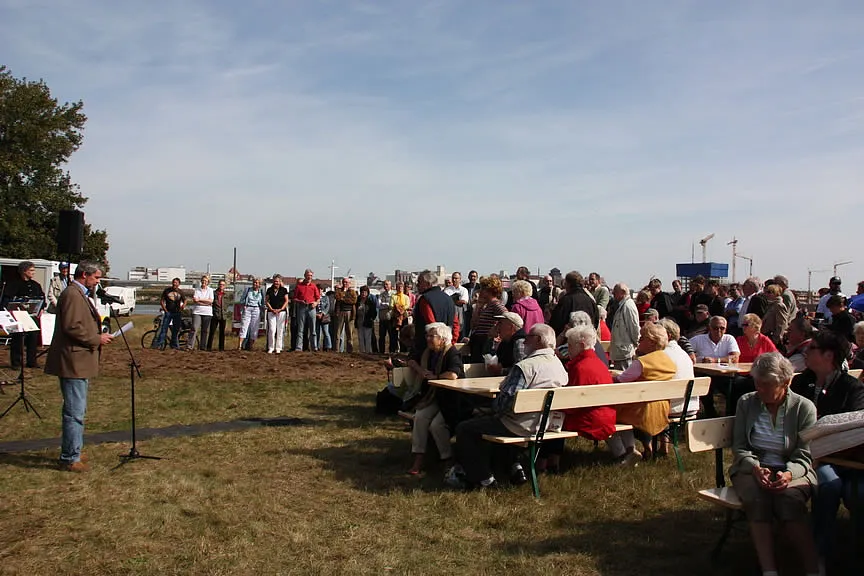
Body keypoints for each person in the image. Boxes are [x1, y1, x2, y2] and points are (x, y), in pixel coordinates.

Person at [730, 353, 820, 576]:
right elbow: (740, 446)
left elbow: (804, 454)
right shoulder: (746, 403)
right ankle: (769, 570)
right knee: (757, 498)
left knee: (789, 500)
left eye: (767, 385)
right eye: (757, 383)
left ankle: (814, 568)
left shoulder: (803, 407)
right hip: (753, 468)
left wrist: (789, 474)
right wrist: (754, 467)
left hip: (794, 469)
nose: (760, 389)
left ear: (786, 382)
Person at [449, 324, 568, 489]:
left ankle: (484, 478)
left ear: (539, 341)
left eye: (528, 338)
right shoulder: (558, 365)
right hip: (544, 423)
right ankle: (513, 467)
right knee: (489, 422)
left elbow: (504, 403)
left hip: (520, 424)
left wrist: (488, 407)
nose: (524, 341)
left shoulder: (526, 366)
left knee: (465, 428)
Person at [790, 330, 864, 565]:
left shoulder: (852, 387)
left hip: (848, 459)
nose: (805, 352)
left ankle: (856, 554)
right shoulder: (801, 382)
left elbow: (854, 426)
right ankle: (818, 556)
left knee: (860, 494)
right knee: (828, 486)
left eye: (811, 349)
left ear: (828, 355)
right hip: (810, 456)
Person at [44, 261, 114, 472]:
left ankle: (73, 449)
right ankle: (69, 457)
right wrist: (96, 338)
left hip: (79, 360)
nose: (98, 282)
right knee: (74, 411)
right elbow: (72, 327)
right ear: (85, 275)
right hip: (73, 360)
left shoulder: (78, 293)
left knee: (78, 408)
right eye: (96, 278)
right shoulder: (73, 294)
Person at [539, 324, 617, 472]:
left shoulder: (580, 367)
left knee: (553, 418)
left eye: (570, 345)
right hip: (605, 416)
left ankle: (543, 462)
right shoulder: (599, 364)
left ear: (581, 345)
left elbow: (572, 405)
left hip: (590, 419)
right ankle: (552, 461)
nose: (567, 349)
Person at [611, 322, 678, 463]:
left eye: (642, 338)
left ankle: (626, 451)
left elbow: (620, 381)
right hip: (662, 411)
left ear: (652, 343)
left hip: (641, 412)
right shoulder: (669, 362)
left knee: (610, 414)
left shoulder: (642, 363)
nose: (638, 341)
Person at [406, 322, 465, 475]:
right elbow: (413, 362)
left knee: (436, 425)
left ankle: (447, 459)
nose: (428, 339)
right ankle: (419, 457)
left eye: (432, 336)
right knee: (419, 417)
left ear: (443, 339)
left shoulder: (452, 353)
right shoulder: (428, 353)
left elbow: (453, 374)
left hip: (451, 400)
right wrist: (418, 368)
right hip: (434, 397)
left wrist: (437, 377)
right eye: (428, 335)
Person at [691, 316, 741, 418]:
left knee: (737, 387)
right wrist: (694, 356)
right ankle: (710, 414)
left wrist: (715, 360)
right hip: (705, 375)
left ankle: (730, 415)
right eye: (715, 328)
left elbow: (735, 357)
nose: (718, 330)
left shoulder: (729, 339)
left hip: (725, 376)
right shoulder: (699, 339)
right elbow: (684, 348)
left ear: (726, 329)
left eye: (722, 328)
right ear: (709, 327)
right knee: (702, 384)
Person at [5, 260, 46, 368]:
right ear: (24, 271)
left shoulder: (36, 285)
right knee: (18, 339)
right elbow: (7, 300)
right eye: (31, 270)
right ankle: (16, 362)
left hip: (32, 315)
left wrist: (41, 308)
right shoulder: (13, 284)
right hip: (18, 315)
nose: (33, 272)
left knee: (33, 338)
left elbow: (42, 298)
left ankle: (31, 361)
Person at [411, 271, 458, 360]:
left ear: (427, 284)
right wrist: (451, 342)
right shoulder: (448, 298)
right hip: (446, 345)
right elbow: (455, 323)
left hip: (429, 348)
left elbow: (431, 324)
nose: (417, 285)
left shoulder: (425, 299)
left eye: (419, 282)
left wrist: (434, 345)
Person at [659, 318, 699, 421]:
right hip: (691, 405)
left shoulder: (661, 355)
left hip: (672, 408)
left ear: (668, 335)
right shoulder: (684, 354)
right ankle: (663, 436)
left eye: (657, 333)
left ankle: (649, 436)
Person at [465, 274, 505, 362]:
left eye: (483, 289)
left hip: (487, 342)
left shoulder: (496, 304)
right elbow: (473, 325)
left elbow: (507, 316)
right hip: (479, 341)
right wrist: (478, 307)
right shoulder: (486, 305)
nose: (481, 291)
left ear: (489, 291)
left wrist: (496, 329)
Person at [550, 271, 598, 337]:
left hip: (569, 342)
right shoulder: (591, 301)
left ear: (568, 284)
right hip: (588, 340)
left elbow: (556, 323)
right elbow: (596, 322)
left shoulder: (565, 301)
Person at [610, 283, 639, 371]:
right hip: (621, 352)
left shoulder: (628, 306)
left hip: (625, 352)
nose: (613, 294)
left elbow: (634, 328)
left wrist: (636, 345)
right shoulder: (622, 305)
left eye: (615, 292)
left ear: (622, 292)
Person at [486, 311, 526, 376]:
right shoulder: (505, 342)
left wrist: (501, 371)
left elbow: (522, 370)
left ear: (511, 327)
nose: (497, 326)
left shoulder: (520, 342)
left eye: (500, 323)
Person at [152, 277, 185, 350]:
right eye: (173, 282)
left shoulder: (180, 292)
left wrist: (183, 306)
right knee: (164, 329)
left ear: (179, 284)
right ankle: (159, 345)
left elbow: (185, 300)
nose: (174, 284)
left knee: (175, 330)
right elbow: (161, 301)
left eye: (176, 282)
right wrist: (165, 310)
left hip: (177, 313)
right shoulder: (167, 291)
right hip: (168, 313)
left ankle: (174, 346)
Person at [293, 269, 321, 352]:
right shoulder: (299, 286)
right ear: (305, 275)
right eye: (308, 275)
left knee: (313, 329)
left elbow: (318, 298)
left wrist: (316, 303)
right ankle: (299, 347)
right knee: (300, 329)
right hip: (302, 307)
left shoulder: (314, 286)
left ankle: (314, 347)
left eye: (311, 276)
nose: (310, 277)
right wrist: (300, 301)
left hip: (311, 308)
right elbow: (294, 298)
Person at [236, 278, 264, 351]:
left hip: (256, 309)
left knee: (254, 328)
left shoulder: (261, 292)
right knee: (244, 327)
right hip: (248, 308)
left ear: (259, 284)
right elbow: (242, 299)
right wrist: (243, 305)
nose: (255, 284)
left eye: (257, 283)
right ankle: (239, 346)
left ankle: (251, 346)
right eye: (254, 282)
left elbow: (263, 302)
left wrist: (263, 309)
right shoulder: (248, 290)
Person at [187, 275, 214, 351]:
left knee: (205, 330)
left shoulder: (210, 290)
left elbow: (211, 301)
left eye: (205, 281)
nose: (204, 282)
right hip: (197, 311)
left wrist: (200, 300)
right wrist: (206, 302)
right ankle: (190, 346)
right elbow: (195, 300)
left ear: (208, 282)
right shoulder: (197, 290)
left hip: (207, 313)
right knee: (194, 328)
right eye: (203, 280)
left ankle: (202, 347)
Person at [265, 275, 289, 354]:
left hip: (281, 312)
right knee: (272, 330)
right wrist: (271, 309)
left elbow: (286, 301)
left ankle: (278, 347)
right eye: (275, 281)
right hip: (271, 312)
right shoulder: (269, 290)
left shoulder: (284, 290)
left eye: (278, 281)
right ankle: (271, 347)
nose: (276, 283)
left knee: (280, 330)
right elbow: (267, 301)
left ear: (280, 282)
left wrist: (281, 309)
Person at [334, 277, 358, 353]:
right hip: (340, 312)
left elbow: (353, 300)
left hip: (349, 313)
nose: (345, 284)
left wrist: (343, 299)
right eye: (344, 282)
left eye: (347, 282)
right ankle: (337, 350)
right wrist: (346, 298)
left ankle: (349, 350)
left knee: (349, 333)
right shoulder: (339, 291)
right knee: (338, 332)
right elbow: (337, 297)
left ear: (349, 283)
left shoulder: (352, 292)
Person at [207, 279, 229, 351]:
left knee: (222, 333)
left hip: (223, 315)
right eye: (220, 284)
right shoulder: (214, 293)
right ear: (218, 285)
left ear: (225, 286)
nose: (221, 286)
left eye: (223, 285)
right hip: (215, 315)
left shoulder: (226, 295)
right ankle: (209, 347)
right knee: (212, 332)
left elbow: (227, 304)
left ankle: (221, 348)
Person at [376, 280, 396, 354]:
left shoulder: (394, 294)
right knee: (381, 337)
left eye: (387, 284)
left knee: (392, 337)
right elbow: (378, 305)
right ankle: (381, 351)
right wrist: (387, 305)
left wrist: (384, 305)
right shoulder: (381, 294)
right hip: (382, 319)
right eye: (384, 284)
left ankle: (392, 352)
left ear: (390, 285)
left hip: (391, 318)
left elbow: (393, 306)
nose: (385, 286)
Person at [355, 285, 377, 353]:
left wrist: (371, 319)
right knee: (360, 338)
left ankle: (368, 352)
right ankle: (362, 351)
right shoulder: (357, 301)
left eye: (365, 292)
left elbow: (374, 312)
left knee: (367, 338)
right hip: (359, 321)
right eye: (362, 292)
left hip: (368, 322)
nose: (363, 294)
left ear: (367, 293)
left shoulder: (370, 302)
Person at [391, 281, 411, 353]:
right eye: (398, 287)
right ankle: (394, 350)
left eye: (401, 287)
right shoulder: (393, 296)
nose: (400, 289)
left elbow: (407, 305)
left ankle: (403, 350)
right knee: (394, 334)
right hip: (395, 317)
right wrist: (397, 307)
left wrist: (401, 308)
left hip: (404, 317)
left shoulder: (406, 297)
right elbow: (391, 305)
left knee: (403, 333)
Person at [461, 270, 480, 335]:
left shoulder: (480, 287)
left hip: (476, 311)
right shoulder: (464, 287)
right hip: (466, 311)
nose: (472, 278)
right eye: (471, 276)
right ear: (468, 277)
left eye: (474, 276)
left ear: (477, 278)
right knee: (466, 328)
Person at [315, 285, 332, 351]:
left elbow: (327, 307)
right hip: (316, 317)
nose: (319, 291)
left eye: (320, 289)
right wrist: (316, 314)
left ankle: (328, 346)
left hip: (324, 317)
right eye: (318, 289)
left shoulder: (326, 297)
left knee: (326, 332)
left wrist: (322, 313)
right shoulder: (314, 297)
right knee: (317, 332)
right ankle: (317, 346)